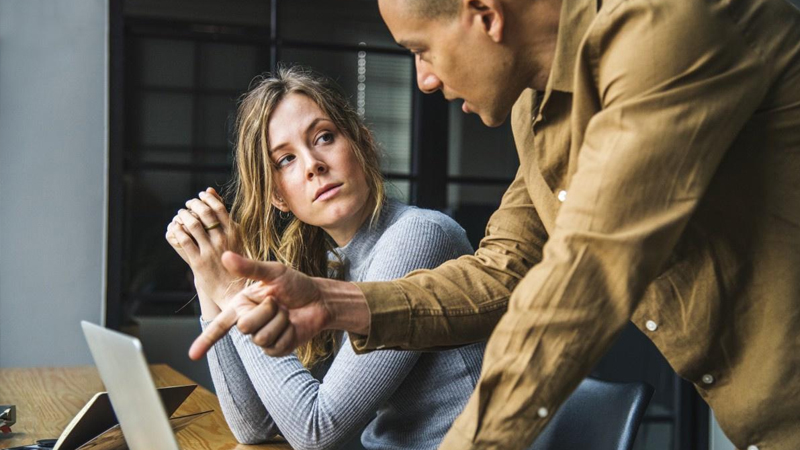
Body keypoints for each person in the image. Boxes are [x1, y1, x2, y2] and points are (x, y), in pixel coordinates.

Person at [191, 0, 800, 449]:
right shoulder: (537, 110)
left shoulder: (668, 29)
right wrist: (333, 300)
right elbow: (501, 271)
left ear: (484, 12)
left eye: (422, 50)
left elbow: (582, 279)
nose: (425, 79)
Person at [168, 66, 486, 450]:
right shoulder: (330, 263)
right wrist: (208, 274)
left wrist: (232, 288)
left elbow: (316, 431)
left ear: (363, 143)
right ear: (278, 197)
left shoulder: (419, 236)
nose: (312, 165)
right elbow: (254, 426)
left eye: (324, 137)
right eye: (285, 160)